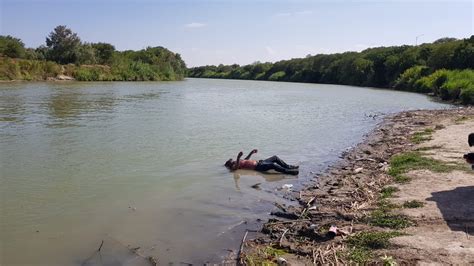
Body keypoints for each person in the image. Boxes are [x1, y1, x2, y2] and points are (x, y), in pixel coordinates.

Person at [224, 149, 299, 175]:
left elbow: (246, 159)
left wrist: (251, 152)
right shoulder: (234, 166)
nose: (231, 160)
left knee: (275, 157)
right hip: (258, 167)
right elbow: (236, 168)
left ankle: (288, 166)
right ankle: (288, 172)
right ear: (229, 164)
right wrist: (238, 157)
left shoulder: (239, 161)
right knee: (272, 165)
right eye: (230, 161)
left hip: (260, 162)